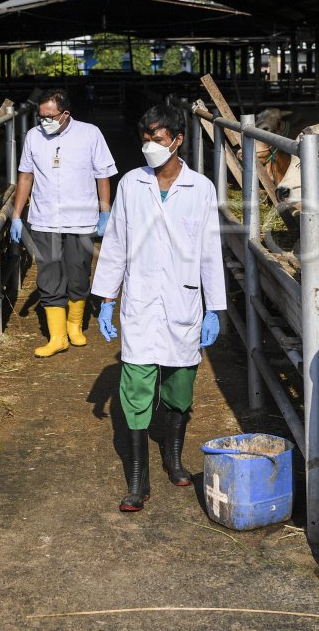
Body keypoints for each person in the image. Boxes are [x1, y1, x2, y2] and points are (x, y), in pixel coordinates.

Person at [91, 102, 225, 512]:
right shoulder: (132, 183)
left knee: (179, 389)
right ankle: (138, 481)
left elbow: (209, 252)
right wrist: (106, 299)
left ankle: (173, 457)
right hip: (141, 301)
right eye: (146, 138)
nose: (150, 144)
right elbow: (115, 243)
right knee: (134, 389)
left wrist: (214, 308)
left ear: (178, 140)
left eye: (159, 138)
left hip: (184, 301)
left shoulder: (200, 188)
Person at [11, 90, 117, 357]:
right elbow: (26, 176)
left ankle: (74, 325)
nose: (44, 121)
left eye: (50, 116)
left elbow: (102, 174)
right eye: (41, 116)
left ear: (65, 114)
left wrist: (105, 211)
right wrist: (16, 216)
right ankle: (57, 336)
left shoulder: (90, 134)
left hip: (81, 219)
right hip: (44, 218)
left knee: (79, 272)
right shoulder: (34, 137)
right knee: (48, 275)